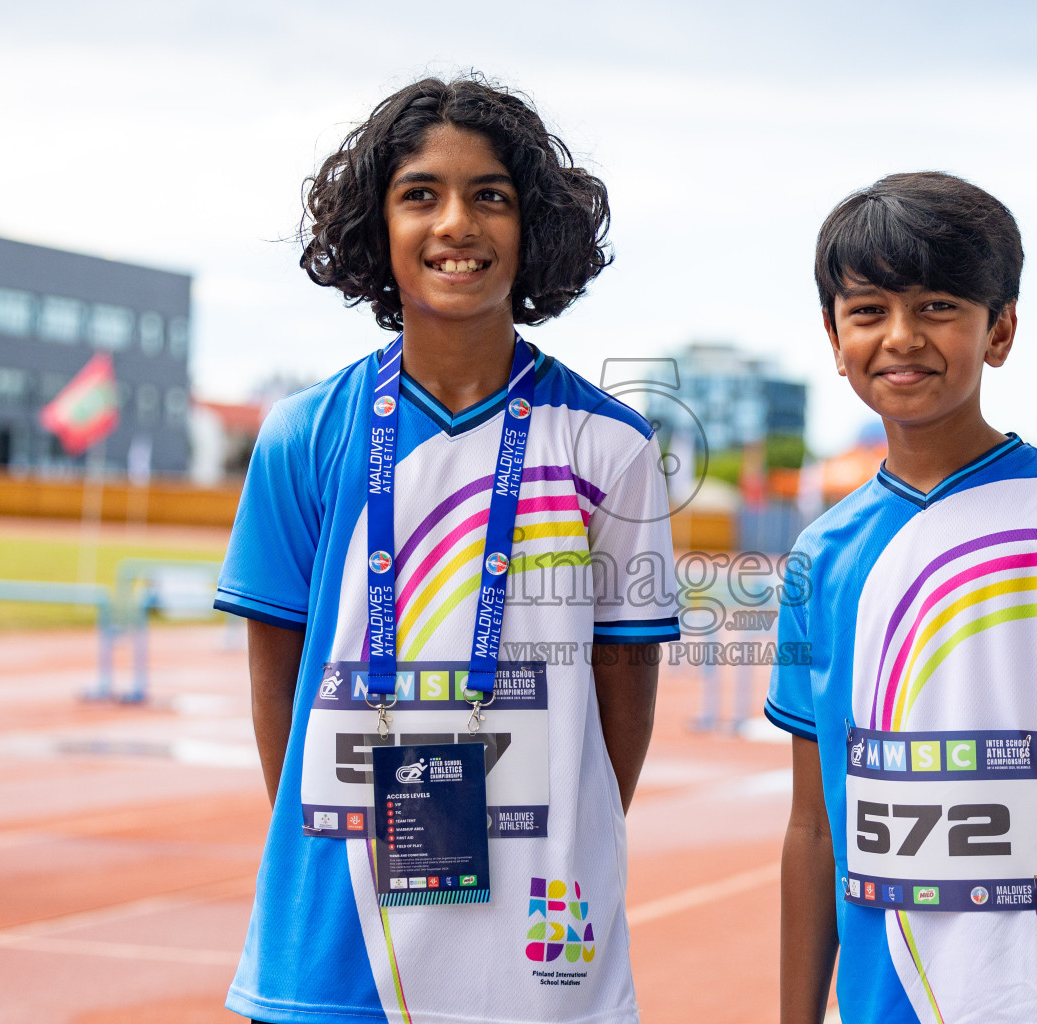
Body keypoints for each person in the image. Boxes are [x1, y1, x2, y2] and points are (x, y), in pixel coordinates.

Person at [214, 76, 680, 1024]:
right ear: (375, 226)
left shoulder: (611, 447)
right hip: (337, 929)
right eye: (420, 194)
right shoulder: (305, 434)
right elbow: (280, 689)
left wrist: (564, 837)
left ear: (533, 225)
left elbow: (622, 690)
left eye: (491, 195)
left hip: (541, 931)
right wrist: (334, 841)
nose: (455, 223)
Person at [766, 173, 1037, 1024]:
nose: (901, 337)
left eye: (936, 307)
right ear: (833, 335)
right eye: (868, 310)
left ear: (998, 330)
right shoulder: (819, 555)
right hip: (885, 1001)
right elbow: (813, 828)